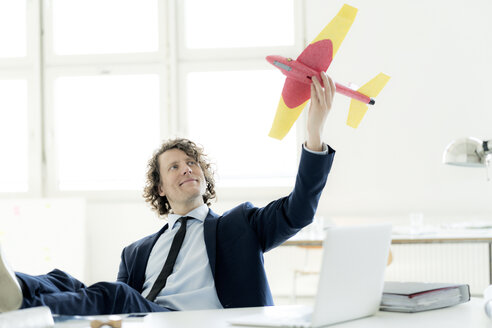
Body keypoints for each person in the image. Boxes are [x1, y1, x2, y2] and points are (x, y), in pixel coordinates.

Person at [0, 73, 336, 315]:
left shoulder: (240, 225)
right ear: (160, 188)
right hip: (146, 317)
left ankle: (23, 307)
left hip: (196, 322)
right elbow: (114, 311)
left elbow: (299, 210)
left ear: (203, 176)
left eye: (191, 163)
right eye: (174, 167)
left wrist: (314, 133)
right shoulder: (136, 252)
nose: (187, 168)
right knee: (63, 279)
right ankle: (11, 288)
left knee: (114, 294)